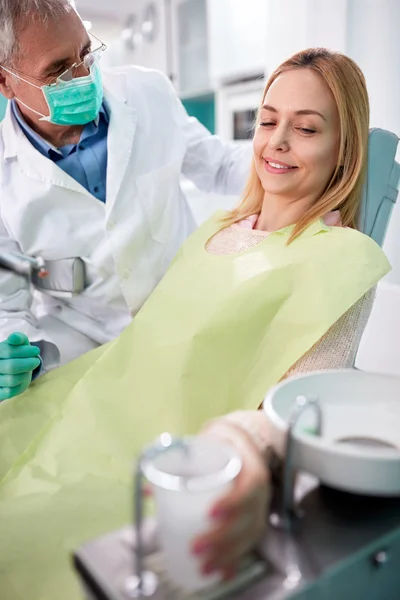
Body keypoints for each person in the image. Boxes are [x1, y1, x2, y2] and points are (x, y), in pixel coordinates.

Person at [0, 48, 391, 600]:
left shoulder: (338, 259)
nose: (277, 142)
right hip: (88, 394)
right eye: (267, 121)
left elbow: (300, 402)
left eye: (306, 129)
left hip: (154, 450)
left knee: (24, 542)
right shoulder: (216, 226)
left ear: (344, 150)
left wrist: (243, 448)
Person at [0, 0, 251, 401]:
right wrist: (17, 356)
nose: (83, 75)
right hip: (86, 352)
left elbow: (219, 166)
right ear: (5, 81)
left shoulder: (146, 91)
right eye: (59, 71)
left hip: (191, 318)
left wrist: (291, 165)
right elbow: (9, 305)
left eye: (86, 53)